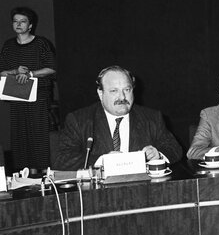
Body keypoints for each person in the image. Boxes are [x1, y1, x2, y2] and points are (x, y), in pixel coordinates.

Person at [53, 66, 182, 169]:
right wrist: (102, 161)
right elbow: (62, 159)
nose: (122, 97)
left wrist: (158, 154)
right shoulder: (79, 120)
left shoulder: (151, 117)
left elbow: (174, 149)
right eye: (114, 91)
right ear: (100, 93)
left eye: (127, 89)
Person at [0, 7, 56, 171]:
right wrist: (15, 71)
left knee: (38, 136)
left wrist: (31, 73)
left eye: (22, 21)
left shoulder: (41, 43)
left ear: (30, 25)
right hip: (17, 96)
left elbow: (52, 68)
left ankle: (44, 173)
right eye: (15, 21)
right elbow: (2, 71)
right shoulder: (9, 45)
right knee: (19, 136)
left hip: (38, 97)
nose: (18, 24)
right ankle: (25, 174)